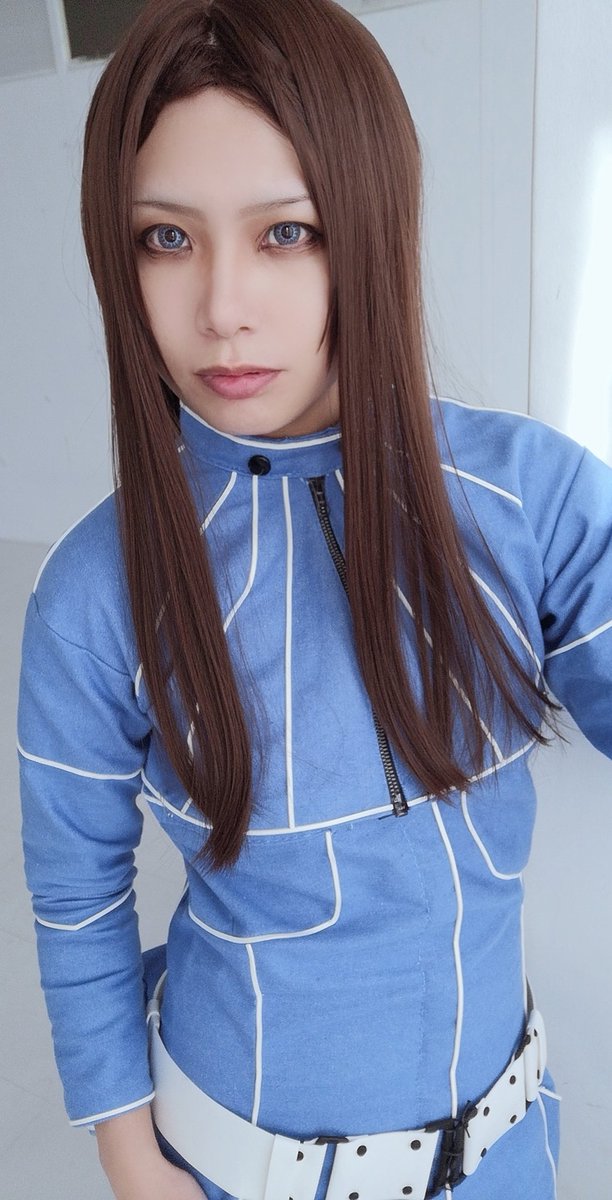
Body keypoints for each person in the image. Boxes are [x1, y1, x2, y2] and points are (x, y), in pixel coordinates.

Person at [16, 0, 612, 1198]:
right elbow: (78, 896)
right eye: (165, 239)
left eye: (285, 232)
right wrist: (132, 1164)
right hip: (221, 1169)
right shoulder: (94, 591)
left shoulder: (530, 498)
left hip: (505, 1159)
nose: (222, 306)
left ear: (371, 222)